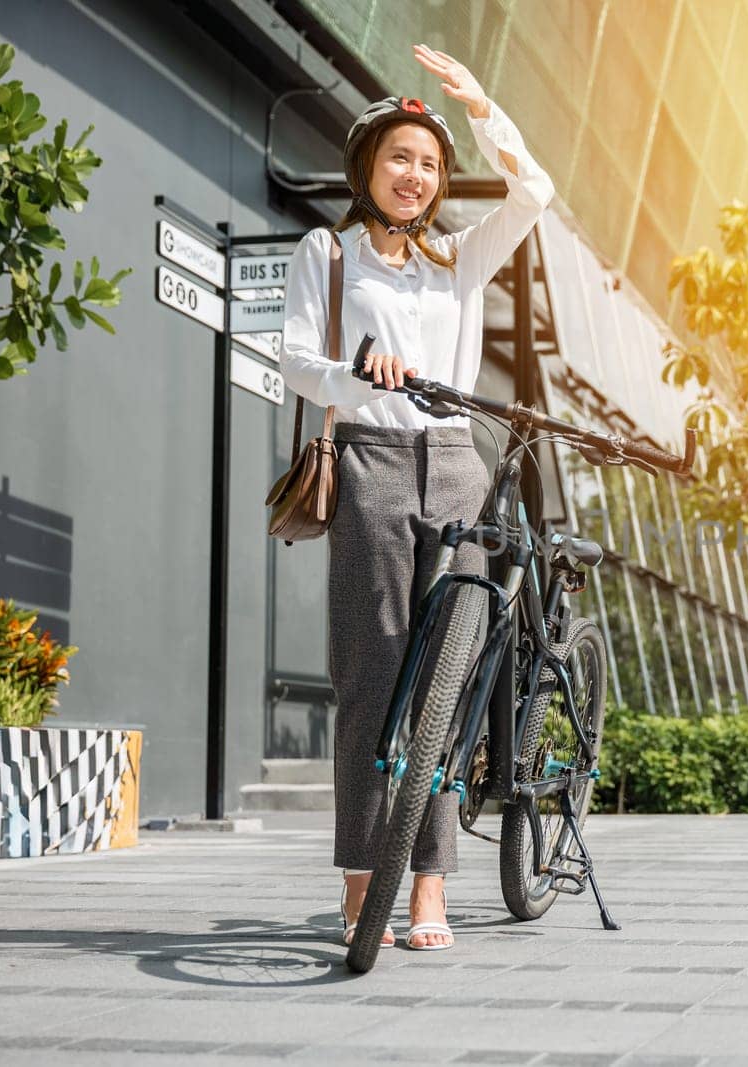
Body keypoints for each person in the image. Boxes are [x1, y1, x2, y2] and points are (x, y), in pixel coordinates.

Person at [279, 44, 555, 951]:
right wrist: (362, 378)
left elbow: (536, 196)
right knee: (372, 675)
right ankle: (363, 884)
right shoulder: (326, 251)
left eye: (430, 164)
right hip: (370, 461)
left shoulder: (458, 260)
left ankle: (429, 887)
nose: (415, 174)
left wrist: (481, 107)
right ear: (368, 167)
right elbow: (290, 358)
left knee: (447, 678)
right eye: (400, 157)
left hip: (456, 463)